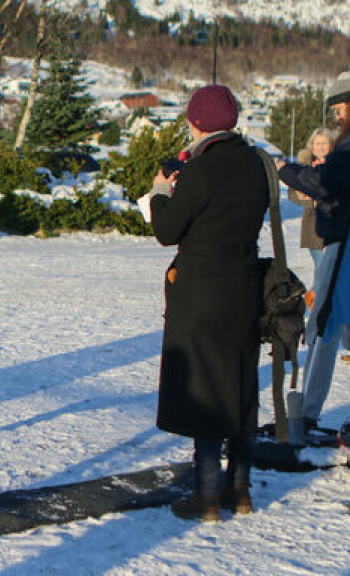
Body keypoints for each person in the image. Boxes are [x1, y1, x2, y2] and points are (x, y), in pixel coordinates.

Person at [142, 84, 269, 522]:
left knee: (207, 390)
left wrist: (161, 191)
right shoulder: (256, 164)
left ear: (197, 123)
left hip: (202, 291)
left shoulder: (200, 170)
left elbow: (167, 231)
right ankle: (241, 489)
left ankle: (208, 495)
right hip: (245, 286)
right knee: (240, 385)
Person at [277, 72, 350, 431]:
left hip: (343, 242)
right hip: (339, 238)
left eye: (339, 109)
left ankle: (306, 413)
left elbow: (325, 182)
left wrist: (285, 170)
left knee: (323, 322)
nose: (336, 117)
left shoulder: (347, 148)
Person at [288, 128, 336, 268]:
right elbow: (291, 193)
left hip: (334, 225)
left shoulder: (337, 166)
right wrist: (303, 197)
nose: (320, 147)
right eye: (317, 144)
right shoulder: (305, 167)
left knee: (332, 269)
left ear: (331, 145)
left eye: (324, 143)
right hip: (313, 226)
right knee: (321, 268)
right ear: (312, 146)